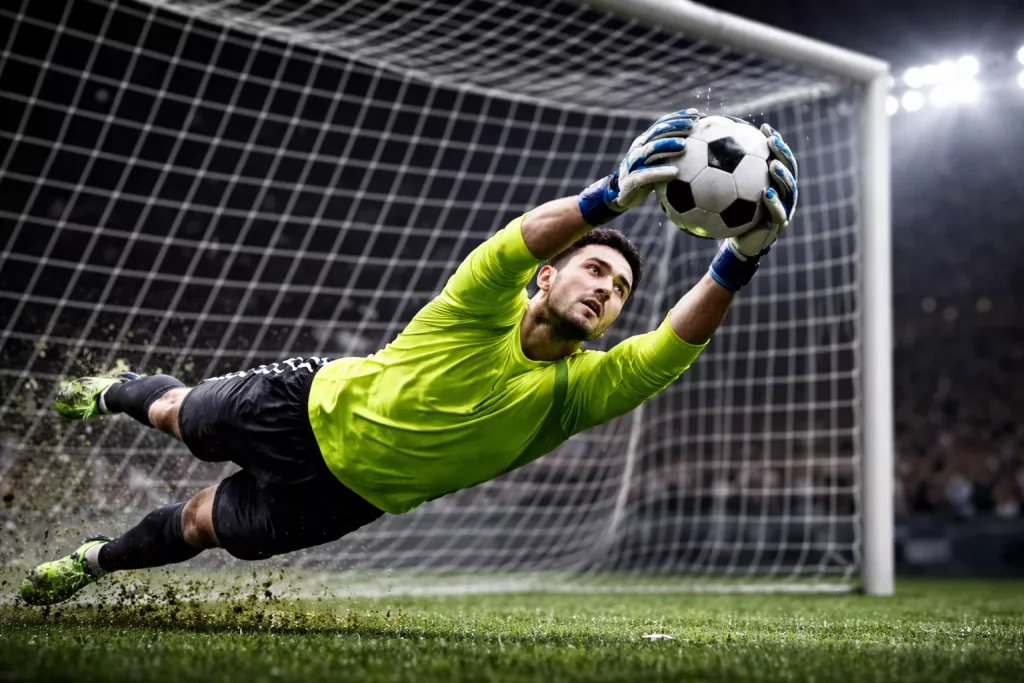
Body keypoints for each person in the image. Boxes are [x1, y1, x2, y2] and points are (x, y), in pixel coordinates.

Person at [20, 109, 798, 605]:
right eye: (596, 268)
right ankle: (116, 387)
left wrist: (739, 261)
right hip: (305, 403)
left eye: (622, 288)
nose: (607, 290)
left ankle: (91, 562)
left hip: (337, 499)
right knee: (171, 412)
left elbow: (668, 350)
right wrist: (610, 198)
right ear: (550, 275)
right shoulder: (478, 310)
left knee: (198, 523)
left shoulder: (578, 390)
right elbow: (506, 247)